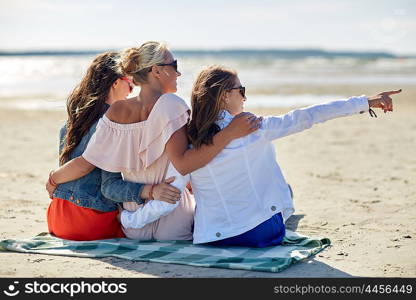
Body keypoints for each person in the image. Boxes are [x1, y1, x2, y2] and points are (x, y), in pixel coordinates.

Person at [121, 65, 400, 248]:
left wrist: (129, 222)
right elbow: (308, 116)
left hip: (214, 240)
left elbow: (173, 191)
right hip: (261, 234)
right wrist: (366, 102)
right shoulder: (254, 128)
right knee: (282, 190)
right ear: (223, 97)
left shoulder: (191, 139)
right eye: (241, 91)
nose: (245, 98)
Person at [47, 42, 262, 241]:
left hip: (131, 226)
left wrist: (54, 179)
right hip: (169, 218)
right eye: (174, 65)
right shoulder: (172, 105)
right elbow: (187, 164)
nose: (178, 73)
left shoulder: (113, 112)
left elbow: (106, 184)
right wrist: (230, 132)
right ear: (156, 70)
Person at [46, 51, 182, 241]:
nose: (131, 90)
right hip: (90, 223)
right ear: (116, 83)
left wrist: (53, 179)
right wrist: (150, 190)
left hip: (57, 219)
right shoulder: (113, 124)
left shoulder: (72, 124)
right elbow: (109, 187)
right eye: (130, 83)